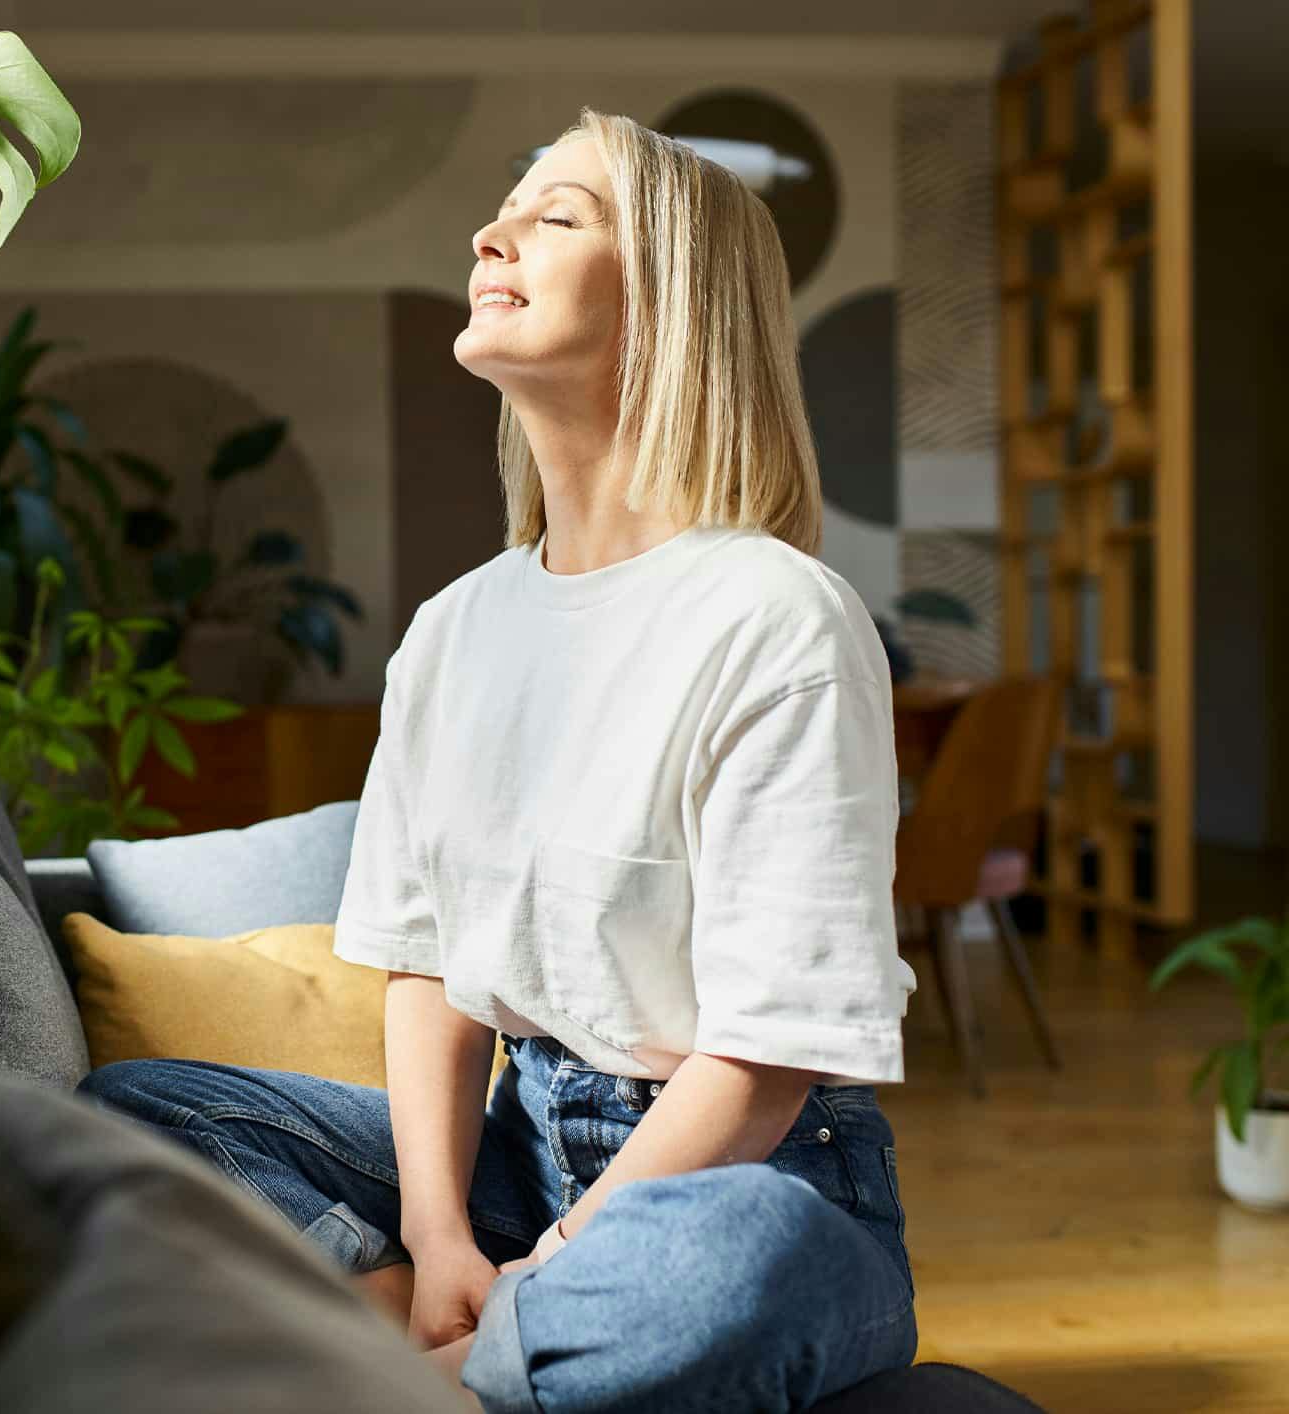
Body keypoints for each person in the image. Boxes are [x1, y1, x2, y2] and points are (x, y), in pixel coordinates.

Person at [77, 106, 920, 1414]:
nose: (489, 234)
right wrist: (435, 1241)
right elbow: (429, 969)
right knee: (127, 1106)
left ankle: (408, 1375)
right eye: (505, 207)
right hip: (511, 1150)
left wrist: (570, 1260)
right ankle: (428, 1348)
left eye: (556, 214)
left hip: (745, 1169)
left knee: (751, 1259)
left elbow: (763, 1057)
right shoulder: (456, 628)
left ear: (672, 303)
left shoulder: (777, 616)